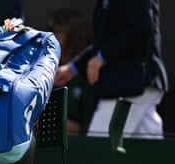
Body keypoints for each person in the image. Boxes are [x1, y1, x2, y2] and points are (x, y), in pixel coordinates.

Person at [54, 0, 168, 139]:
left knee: (98, 148)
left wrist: (103, 57)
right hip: (133, 84)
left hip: (131, 83)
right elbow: (104, 43)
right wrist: (72, 68)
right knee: (149, 151)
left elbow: (141, 28)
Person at [48, 8, 95, 135]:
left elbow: (90, 126)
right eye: (48, 30)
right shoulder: (46, 69)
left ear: (74, 34)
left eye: (54, 31)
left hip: (78, 148)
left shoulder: (90, 73)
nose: (49, 36)